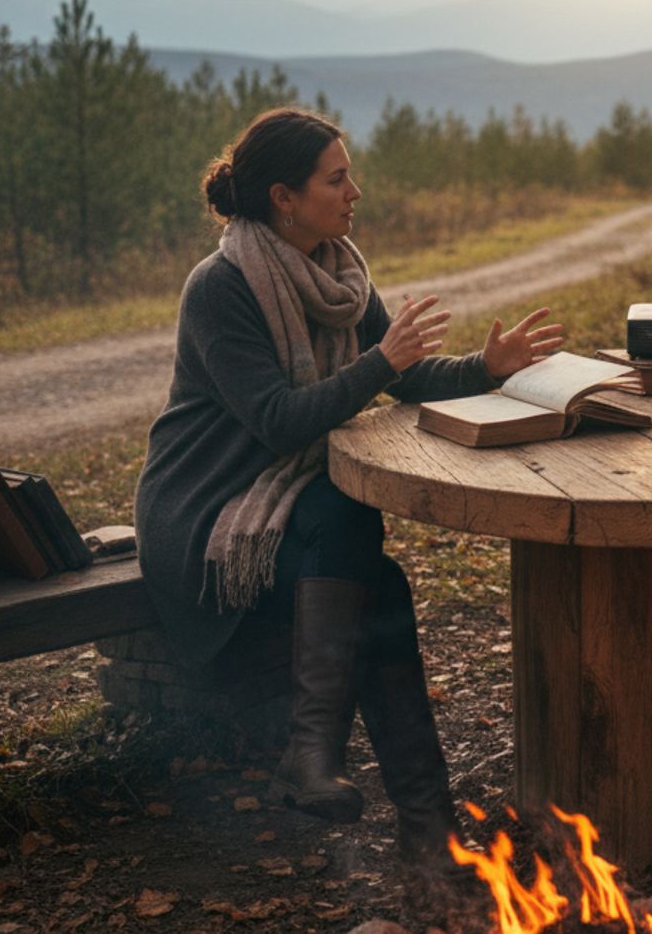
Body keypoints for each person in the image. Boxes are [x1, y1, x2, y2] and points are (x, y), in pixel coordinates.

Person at [133, 107, 563, 862]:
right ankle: (416, 822)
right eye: (336, 180)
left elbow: (405, 376)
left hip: (289, 503)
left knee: (366, 558)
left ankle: (375, 798)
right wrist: (382, 361)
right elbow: (279, 420)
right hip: (207, 511)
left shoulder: (338, 271)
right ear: (284, 197)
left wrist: (486, 368)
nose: (354, 192)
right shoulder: (220, 288)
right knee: (362, 549)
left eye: (350, 176)